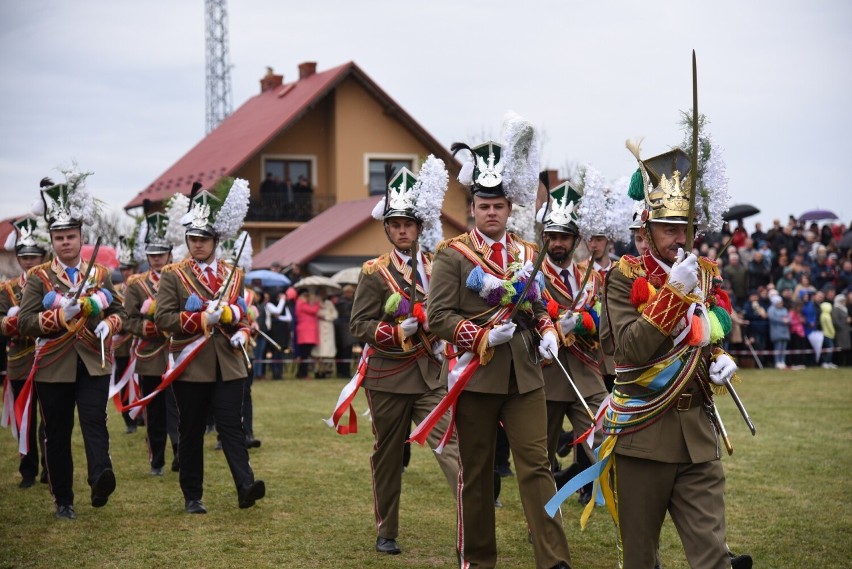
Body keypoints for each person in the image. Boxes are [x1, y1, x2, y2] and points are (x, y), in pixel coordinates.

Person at [589, 144, 750, 568]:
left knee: (713, 556)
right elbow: (628, 349)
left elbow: (702, 330)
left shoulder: (704, 274)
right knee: (642, 559)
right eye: (668, 228)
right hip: (644, 437)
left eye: (686, 227)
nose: (679, 238)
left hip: (698, 435)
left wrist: (717, 355)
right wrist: (674, 294)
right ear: (647, 226)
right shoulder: (624, 279)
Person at [428, 125, 572, 569]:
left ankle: (553, 559)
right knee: (477, 474)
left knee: (536, 467)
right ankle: (478, 559)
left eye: (498, 206)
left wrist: (548, 328)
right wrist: (482, 336)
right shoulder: (452, 254)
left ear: (511, 209)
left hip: (525, 376)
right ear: (471, 208)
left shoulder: (529, 253)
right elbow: (438, 318)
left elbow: (537, 304)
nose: (491, 213)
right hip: (477, 376)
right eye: (483, 205)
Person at [348, 163, 459, 555]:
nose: (402, 230)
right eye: (395, 224)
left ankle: (472, 531)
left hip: (430, 375)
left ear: (419, 227)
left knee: (452, 450)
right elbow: (358, 324)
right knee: (388, 457)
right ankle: (386, 530)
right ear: (387, 228)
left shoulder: (438, 267)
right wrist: (396, 331)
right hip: (388, 378)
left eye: (408, 224)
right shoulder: (374, 272)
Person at [18, 174, 126, 520]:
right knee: (58, 432)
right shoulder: (38, 278)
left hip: (93, 360)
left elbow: (120, 311)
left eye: (71, 236)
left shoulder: (100, 275)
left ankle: (99, 479)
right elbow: (24, 322)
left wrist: (108, 325)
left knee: (95, 420)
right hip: (53, 363)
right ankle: (63, 498)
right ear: (52, 240)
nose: (66, 243)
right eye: (60, 237)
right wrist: (58, 316)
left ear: (81, 238)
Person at [154, 181, 265, 513]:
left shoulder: (234, 274)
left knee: (232, 425)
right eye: (193, 238)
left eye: (203, 238)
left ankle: (245, 486)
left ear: (217, 240)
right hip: (193, 362)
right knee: (191, 429)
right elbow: (163, 318)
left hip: (229, 362)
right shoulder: (173, 275)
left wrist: (243, 332)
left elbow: (243, 314)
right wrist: (202, 318)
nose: (197, 243)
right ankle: (192, 495)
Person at [537, 182, 607, 508]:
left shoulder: (590, 277)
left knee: (604, 441)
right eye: (552, 236)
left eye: (565, 237)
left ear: (576, 240)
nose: (558, 243)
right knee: (541, 456)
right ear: (544, 238)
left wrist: (583, 322)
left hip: (586, 376)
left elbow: (604, 324)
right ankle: (542, 517)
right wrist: (548, 328)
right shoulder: (533, 276)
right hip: (547, 376)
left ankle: (610, 500)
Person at [123, 207, 180, 476]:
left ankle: (181, 454)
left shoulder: (181, 279)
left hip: (179, 354)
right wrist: (146, 326)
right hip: (150, 357)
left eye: (161, 254)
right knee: (155, 412)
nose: (157, 259)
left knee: (180, 407)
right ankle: (157, 459)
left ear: (170, 253)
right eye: (153, 255)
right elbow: (127, 319)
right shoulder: (136, 284)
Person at [0, 216, 48, 488]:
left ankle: (50, 469)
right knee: (25, 419)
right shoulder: (6, 290)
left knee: (51, 419)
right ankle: (27, 470)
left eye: (34, 255)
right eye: (24, 256)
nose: (29, 261)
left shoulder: (51, 285)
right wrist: (12, 323)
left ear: (42, 255)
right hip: (20, 361)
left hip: (49, 360)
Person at [114, 235, 143, 434]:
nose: (126, 272)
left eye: (129, 268)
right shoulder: (116, 290)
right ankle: (129, 419)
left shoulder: (143, 287)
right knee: (122, 381)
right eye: (123, 269)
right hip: (121, 347)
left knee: (143, 381)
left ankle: (143, 416)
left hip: (140, 343)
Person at [265, 290, 292, 379]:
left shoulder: (285, 305)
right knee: (274, 352)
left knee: (280, 353)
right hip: (274, 332)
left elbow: (289, 318)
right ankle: (275, 373)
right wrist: (282, 300)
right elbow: (277, 311)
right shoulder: (270, 304)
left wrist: (279, 317)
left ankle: (279, 373)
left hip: (282, 333)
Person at [312, 287, 337, 378]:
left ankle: (327, 371)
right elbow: (315, 313)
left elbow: (334, 314)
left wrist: (326, 317)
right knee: (318, 351)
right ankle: (318, 370)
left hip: (329, 327)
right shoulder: (315, 303)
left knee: (328, 351)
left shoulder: (329, 303)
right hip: (319, 327)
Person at [294, 288, 320, 378]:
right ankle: (303, 373)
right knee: (305, 355)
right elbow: (313, 310)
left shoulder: (301, 304)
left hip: (306, 333)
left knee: (304, 355)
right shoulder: (301, 304)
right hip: (306, 333)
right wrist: (316, 303)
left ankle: (300, 373)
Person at [333, 283, 356, 378]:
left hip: (341, 330)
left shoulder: (339, 301)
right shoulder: (344, 303)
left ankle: (341, 372)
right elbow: (347, 315)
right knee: (345, 352)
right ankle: (344, 373)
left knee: (342, 352)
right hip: (345, 331)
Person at [767, 293, 791, 369]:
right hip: (776, 331)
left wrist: (787, 320)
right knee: (778, 348)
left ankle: (782, 361)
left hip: (785, 331)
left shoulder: (784, 309)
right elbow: (772, 318)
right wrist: (782, 320)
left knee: (783, 348)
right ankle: (777, 362)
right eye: (779, 302)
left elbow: (788, 317)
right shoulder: (771, 309)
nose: (781, 304)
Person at [832, 295, 850, 366]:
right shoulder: (836, 308)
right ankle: (840, 363)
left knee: (846, 348)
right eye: (842, 301)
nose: (844, 302)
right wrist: (842, 327)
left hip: (846, 331)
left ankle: (846, 363)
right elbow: (835, 320)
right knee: (840, 348)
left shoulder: (844, 309)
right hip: (840, 331)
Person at [819, 301, 838, 368]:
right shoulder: (827, 316)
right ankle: (826, 362)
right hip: (828, 334)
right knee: (830, 348)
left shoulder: (822, 315)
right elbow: (830, 326)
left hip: (824, 334)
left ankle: (828, 362)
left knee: (827, 349)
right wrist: (833, 332)